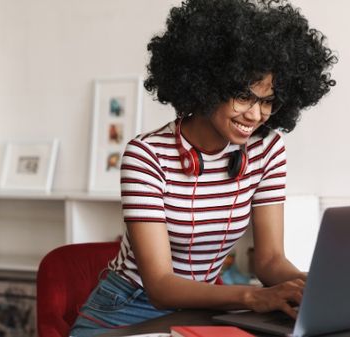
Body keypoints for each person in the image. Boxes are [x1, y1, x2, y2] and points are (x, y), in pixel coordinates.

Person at [70, 0, 336, 335]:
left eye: (267, 101)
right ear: (207, 84)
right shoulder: (146, 155)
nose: (255, 115)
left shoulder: (266, 149)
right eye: (243, 96)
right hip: (126, 313)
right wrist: (254, 297)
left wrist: (314, 288)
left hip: (203, 309)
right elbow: (161, 286)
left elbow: (269, 262)